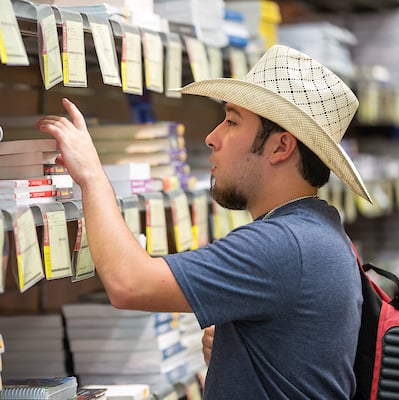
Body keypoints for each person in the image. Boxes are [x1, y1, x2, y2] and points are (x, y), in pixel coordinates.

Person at [35, 44, 372, 399]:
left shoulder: (286, 244)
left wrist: (91, 175)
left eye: (231, 121)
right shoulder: (317, 231)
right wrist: (238, 357)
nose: (212, 138)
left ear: (280, 147)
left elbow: (128, 283)